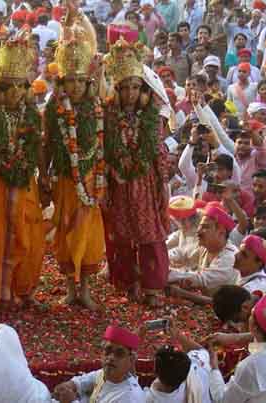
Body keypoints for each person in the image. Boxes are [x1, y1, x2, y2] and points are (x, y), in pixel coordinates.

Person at [43, 6, 105, 310]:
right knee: (67, 232)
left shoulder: (97, 108)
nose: (77, 85)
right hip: (65, 179)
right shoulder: (53, 110)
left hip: (92, 178)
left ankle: (86, 289)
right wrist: (44, 176)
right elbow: (47, 146)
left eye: (81, 80)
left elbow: (103, 143)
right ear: (63, 83)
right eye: (71, 81)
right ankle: (70, 288)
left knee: (89, 235)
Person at [0, 34, 46, 307]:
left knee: (28, 234)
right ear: (0, 89)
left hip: (26, 183)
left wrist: (45, 178)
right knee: (1, 236)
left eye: (21, 86)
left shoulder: (32, 116)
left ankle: (24, 289)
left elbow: (38, 148)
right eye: (10, 87)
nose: (16, 92)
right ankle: (2, 292)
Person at [103, 38, 170, 306]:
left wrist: (161, 183)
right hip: (119, 181)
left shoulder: (150, 116)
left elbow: (157, 151)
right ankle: (128, 282)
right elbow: (105, 149)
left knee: (149, 233)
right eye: (125, 88)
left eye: (135, 87)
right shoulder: (108, 115)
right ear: (116, 89)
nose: (131, 93)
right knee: (121, 234)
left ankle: (153, 287)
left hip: (145, 181)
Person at [53, 325, 145, 402]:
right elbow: (80, 382)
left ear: (131, 360)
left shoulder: (129, 397)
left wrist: (72, 401)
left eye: (119, 354)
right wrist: (66, 386)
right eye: (108, 351)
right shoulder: (104, 374)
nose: (111, 357)